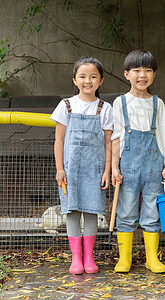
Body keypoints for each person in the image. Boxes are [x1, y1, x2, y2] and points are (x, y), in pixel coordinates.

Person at [111, 49, 165, 274]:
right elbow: (116, 137)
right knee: (126, 210)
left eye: (148, 70)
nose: (142, 75)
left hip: (153, 166)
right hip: (127, 167)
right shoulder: (120, 102)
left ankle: (151, 259)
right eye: (136, 70)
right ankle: (124, 259)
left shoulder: (158, 103)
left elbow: (164, 135)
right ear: (126, 74)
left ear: (154, 74)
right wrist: (114, 168)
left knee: (152, 211)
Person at [51, 56, 113, 275]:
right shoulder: (66, 105)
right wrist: (60, 169)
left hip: (94, 171)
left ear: (101, 81)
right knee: (72, 213)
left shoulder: (105, 108)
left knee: (91, 212)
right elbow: (58, 140)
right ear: (74, 80)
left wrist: (107, 170)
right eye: (83, 76)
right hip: (70, 170)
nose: (88, 81)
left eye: (93, 77)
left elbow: (108, 142)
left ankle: (89, 256)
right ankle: (76, 258)